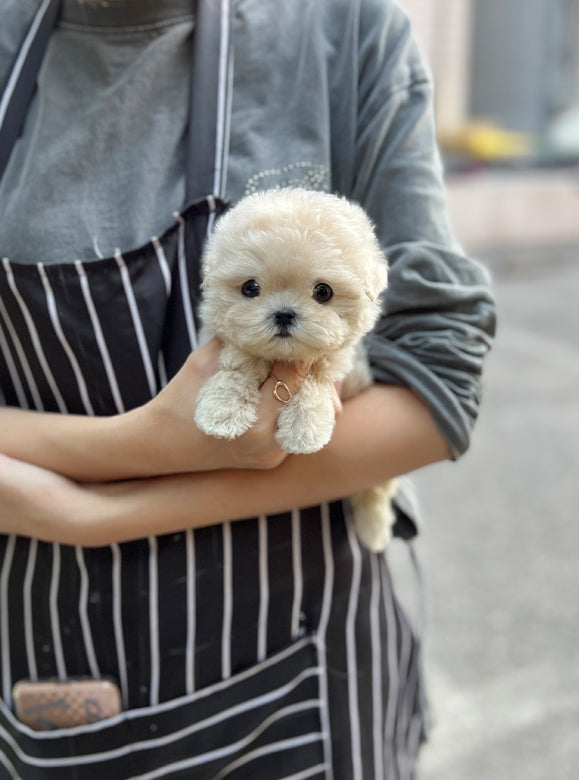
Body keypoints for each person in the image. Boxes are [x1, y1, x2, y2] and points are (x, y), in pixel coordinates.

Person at [0, 0, 495, 778]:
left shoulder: (342, 33)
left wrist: (96, 515)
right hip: (54, 658)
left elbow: (438, 382)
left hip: (307, 673)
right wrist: (137, 443)